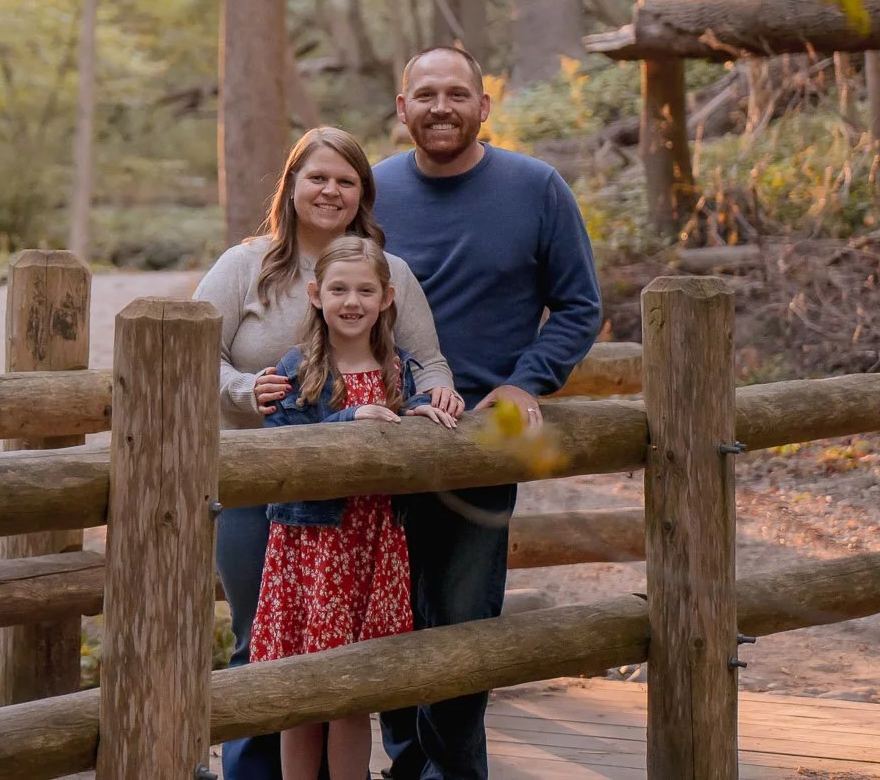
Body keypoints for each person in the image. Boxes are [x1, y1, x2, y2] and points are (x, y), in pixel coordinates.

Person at [194, 126, 465, 780]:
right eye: (317, 177)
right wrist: (242, 389)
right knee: (262, 643)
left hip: (359, 507)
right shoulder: (244, 266)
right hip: (256, 487)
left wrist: (439, 394)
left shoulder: (385, 271)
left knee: (353, 656)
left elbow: (425, 359)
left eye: (346, 181)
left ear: (363, 195)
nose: (330, 191)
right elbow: (191, 359)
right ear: (291, 186)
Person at [373, 47, 603, 780]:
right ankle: (407, 768)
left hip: (484, 438)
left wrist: (526, 382)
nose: (442, 107)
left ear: (483, 106)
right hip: (381, 437)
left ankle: (456, 773)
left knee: (467, 621)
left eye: (458, 94)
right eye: (426, 94)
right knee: (390, 619)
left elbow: (578, 306)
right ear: (402, 106)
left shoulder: (536, 187)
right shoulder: (370, 192)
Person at [249, 235, 460, 780]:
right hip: (312, 548)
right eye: (339, 289)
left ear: (387, 298)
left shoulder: (400, 368)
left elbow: (406, 428)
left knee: (353, 693)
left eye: (366, 290)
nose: (352, 302)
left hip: (372, 543)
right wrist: (350, 421)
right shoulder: (297, 369)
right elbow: (284, 444)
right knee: (302, 691)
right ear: (316, 295)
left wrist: (422, 417)